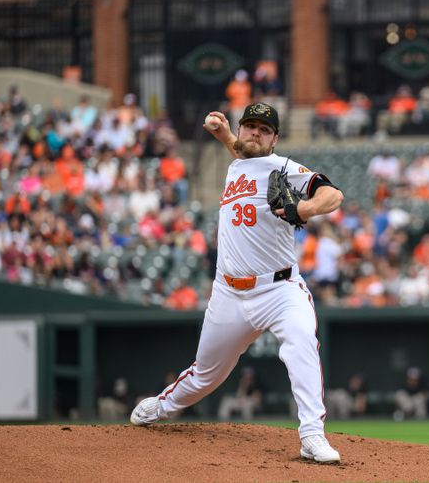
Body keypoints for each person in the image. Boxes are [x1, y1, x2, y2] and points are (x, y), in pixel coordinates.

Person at [130, 102, 344, 464]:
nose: (255, 133)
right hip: (229, 292)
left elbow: (332, 195)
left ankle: (311, 435)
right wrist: (226, 136)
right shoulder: (237, 163)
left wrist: (303, 209)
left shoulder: (283, 167)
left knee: (301, 339)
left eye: (264, 129)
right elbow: (245, 154)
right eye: (250, 126)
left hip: (279, 289)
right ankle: (161, 407)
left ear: (275, 139)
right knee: (205, 376)